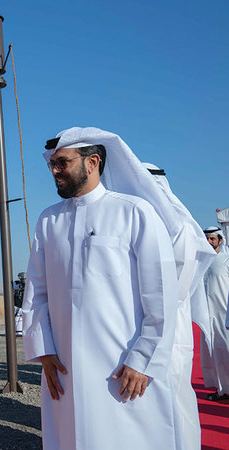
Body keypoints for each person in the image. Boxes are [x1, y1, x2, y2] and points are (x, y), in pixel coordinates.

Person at [22, 127, 179, 449]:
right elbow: (36, 291)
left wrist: (143, 359)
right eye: (52, 164)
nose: (55, 171)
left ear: (92, 162)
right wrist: (44, 350)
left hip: (123, 366)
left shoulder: (134, 212)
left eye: (63, 163)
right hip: (64, 366)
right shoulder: (48, 220)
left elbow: (160, 295)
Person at [137, 162, 215, 448]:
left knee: (174, 398)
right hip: (145, 327)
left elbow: (176, 290)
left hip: (169, 327)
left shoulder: (179, 226)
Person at [201, 226, 229, 402]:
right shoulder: (202, 262)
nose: (209, 241)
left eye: (212, 238)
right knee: (215, 354)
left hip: (225, 316)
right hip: (207, 317)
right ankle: (222, 390)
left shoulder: (226, 260)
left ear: (220, 240)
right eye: (206, 238)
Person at [13, 272, 26, 337]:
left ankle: (22, 331)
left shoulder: (29, 285)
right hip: (17, 305)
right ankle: (18, 331)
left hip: (24, 305)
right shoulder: (16, 284)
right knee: (17, 317)